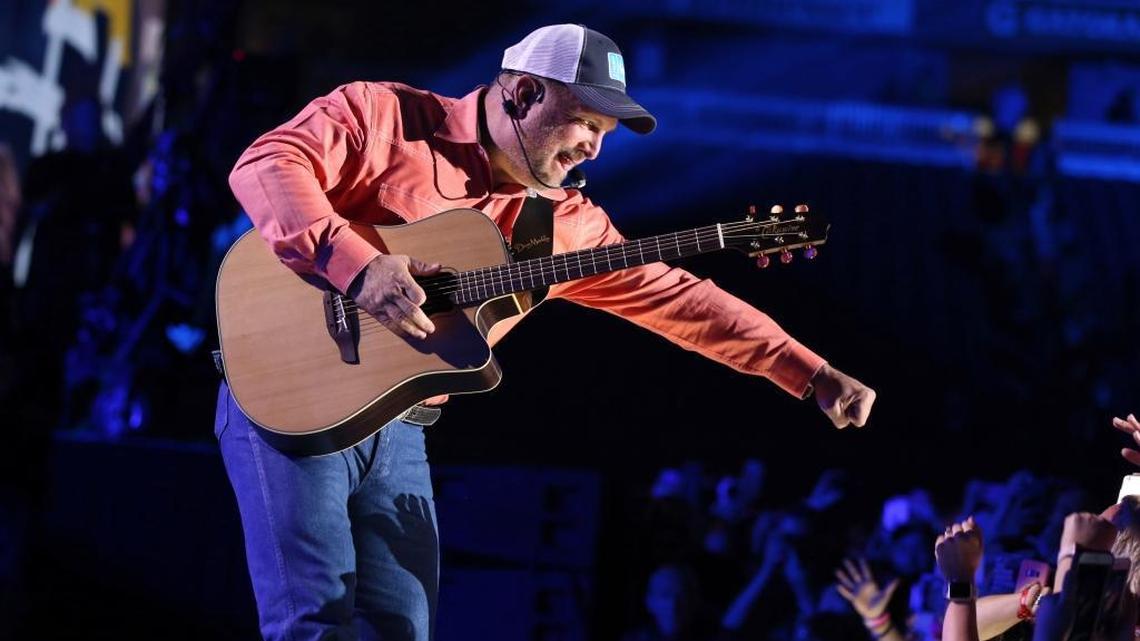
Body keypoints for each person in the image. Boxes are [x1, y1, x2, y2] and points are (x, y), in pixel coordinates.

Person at [218, 23, 877, 640]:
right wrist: (359, 268)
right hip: (290, 392)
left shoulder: (565, 224)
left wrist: (807, 368)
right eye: (587, 121)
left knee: (400, 628)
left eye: (606, 131)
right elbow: (266, 164)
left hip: (404, 427)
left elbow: (679, 298)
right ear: (526, 92)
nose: (595, 144)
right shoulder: (386, 117)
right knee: (316, 623)